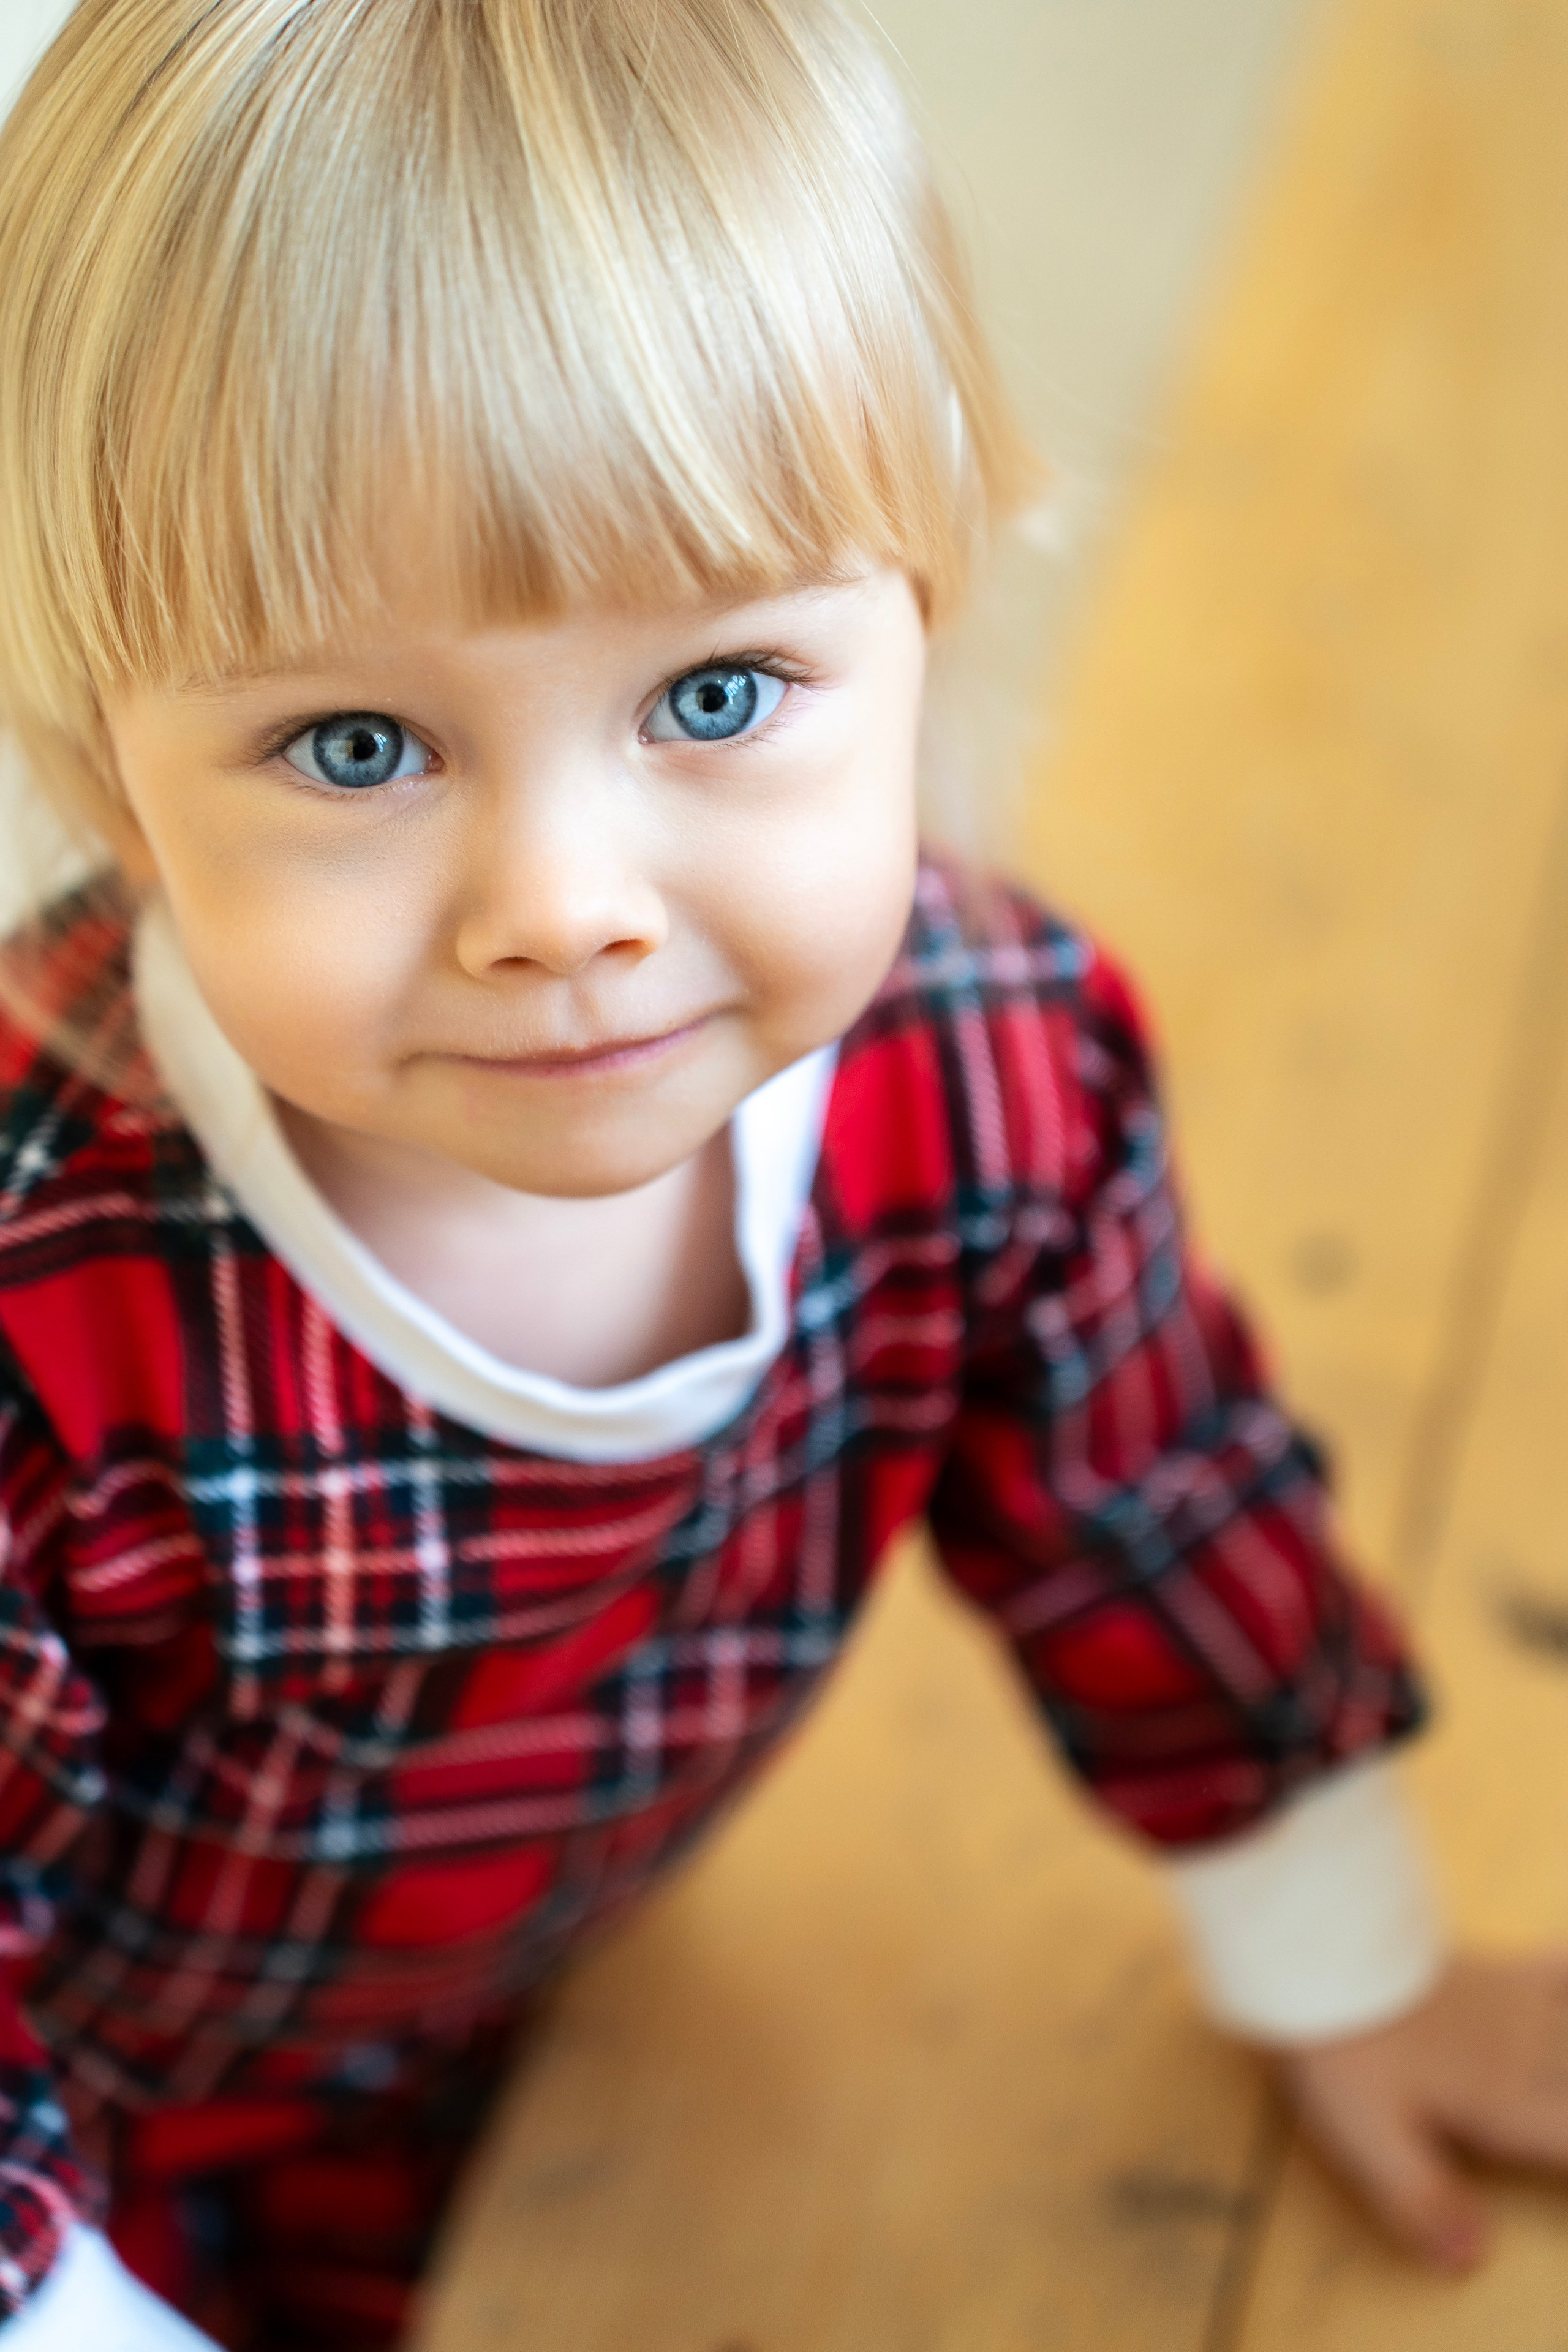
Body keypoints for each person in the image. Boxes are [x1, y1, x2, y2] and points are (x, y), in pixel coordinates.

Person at [0, 1, 1564, 2344]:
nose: (569, 901)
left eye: (716, 694)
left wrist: (1339, 1961)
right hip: (113, 2162)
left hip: (573, 2000)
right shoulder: (52, 1319)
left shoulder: (992, 1066)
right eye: (355, 741)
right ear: (117, 785)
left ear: (926, 610)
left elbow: (1150, 1508)